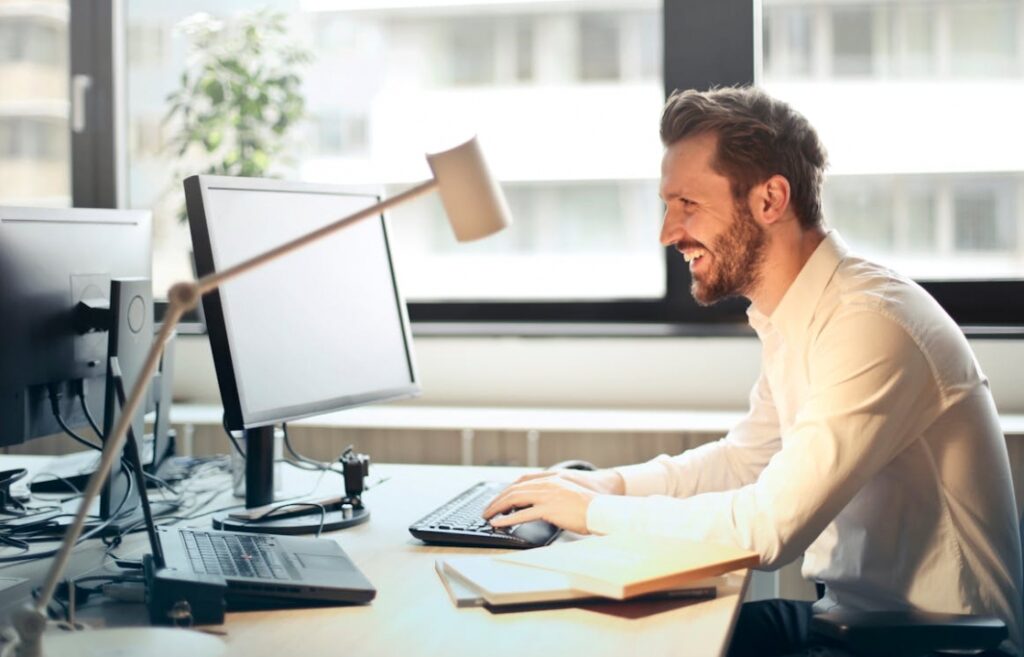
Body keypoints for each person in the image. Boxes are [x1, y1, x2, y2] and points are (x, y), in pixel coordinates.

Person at [483, 86, 1023, 657]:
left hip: (933, 646)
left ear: (770, 200)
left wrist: (592, 513)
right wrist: (608, 484)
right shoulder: (800, 313)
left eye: (687, 204)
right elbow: (745, 462)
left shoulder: (871, 324)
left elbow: (769, 530)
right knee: (624, 631)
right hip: (855, 625)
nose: (668, 232)